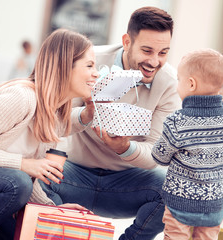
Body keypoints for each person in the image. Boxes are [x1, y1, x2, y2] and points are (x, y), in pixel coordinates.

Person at [40, 6, 182, 240]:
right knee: (36, 174)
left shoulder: (169, 84)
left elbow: (156, 153)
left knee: (175, 190)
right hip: (73, 174)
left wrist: (125, 148)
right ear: (127, 42)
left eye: (163, 53)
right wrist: (86, 114)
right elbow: (54, 119)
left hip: (127, 183)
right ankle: (61, 233)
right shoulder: (90, 60)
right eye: (147, 50)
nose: (154, 61)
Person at [0, 29, 99, 240]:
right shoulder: (21, 97)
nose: (96, 73)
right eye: (89, 65)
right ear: (64, 67)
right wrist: (23, 164)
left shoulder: (52, 113)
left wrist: (53, 208)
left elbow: (21, 181)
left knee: (24, 232)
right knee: (18, 182)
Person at [151, 49, 223, 240]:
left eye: (179, 79)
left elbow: (159, 157)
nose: (177, 85)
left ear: (190, 84)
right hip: (214, 204)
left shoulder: (178, 121)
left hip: (180, 203)